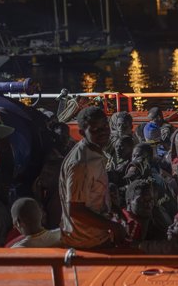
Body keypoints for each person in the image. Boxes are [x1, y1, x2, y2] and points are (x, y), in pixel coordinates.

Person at [59, 106, 126, 249]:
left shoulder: (95, 153)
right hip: (85, 241)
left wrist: (114, 208)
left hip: (97, 235)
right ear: (82, 132)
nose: (103, 132)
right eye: (95, 130)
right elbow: (75, 209)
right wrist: (113, 226)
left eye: (105, 126)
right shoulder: (81, 164)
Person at [121, 179, 163, 246]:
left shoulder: (157, 220)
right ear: (129, 202)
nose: (148, 204)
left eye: (151, 200)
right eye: (142, 200)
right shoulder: (125, 226)